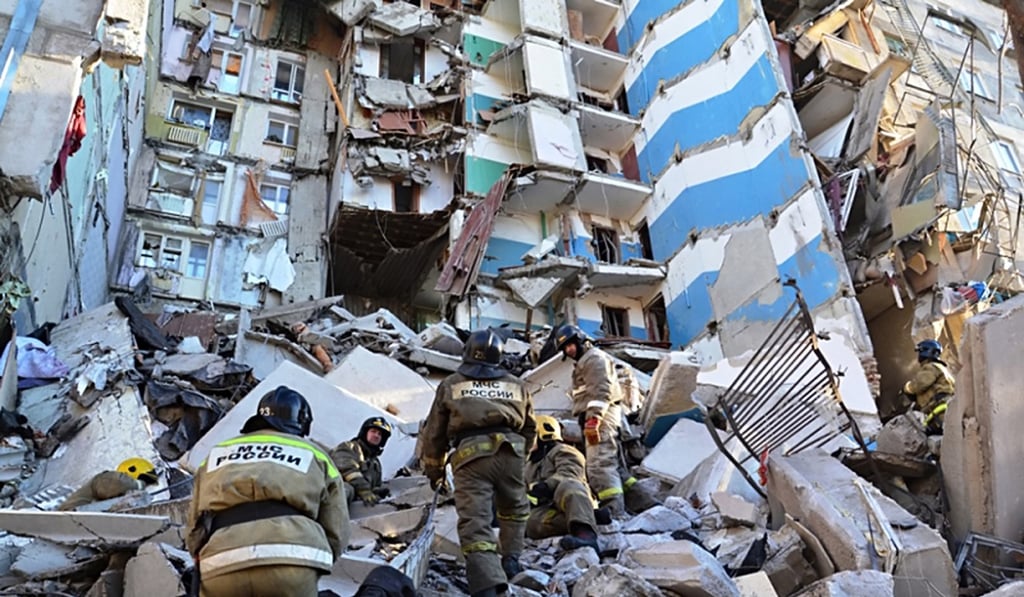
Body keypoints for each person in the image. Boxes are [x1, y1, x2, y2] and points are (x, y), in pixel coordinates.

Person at [186, 386, 347, 597]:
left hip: (222, 563)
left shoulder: (217, 453)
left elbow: (194, 525)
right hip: (293, 561)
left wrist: (201, 556)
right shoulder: (317, 455)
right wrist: (318, 561)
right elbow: (336, 527)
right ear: (302, 423)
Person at [419, 329, 537, 597]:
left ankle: (488, 585)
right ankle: (511, 559)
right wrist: (521, 456)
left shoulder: (451, 383)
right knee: (515, 509)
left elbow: (434, 433)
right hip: (512, 451)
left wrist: (435, 471)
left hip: (471, 457)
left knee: (476, 521)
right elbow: (530, 427)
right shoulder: (517, 385)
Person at [553, 324, 632, 516]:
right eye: (565, 348)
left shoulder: (594, 359)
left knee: (599, 465)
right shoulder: (585, 361)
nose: (569, 350)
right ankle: (643, 503)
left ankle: (612, 513)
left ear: (580, 341)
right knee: (617, 469)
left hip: (601, 417)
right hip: (602, 415)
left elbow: (601, 390)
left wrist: (593, 419)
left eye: (571, 345)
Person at [525, 415, 600, 553]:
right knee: (529, 522)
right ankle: (590, 518)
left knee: (570, 485)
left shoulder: (564, 451)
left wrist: (548, 485)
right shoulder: (529, 464)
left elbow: (570, 473)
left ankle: (586, 536)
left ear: (544, 433)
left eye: (530, 435)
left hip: (570, 500)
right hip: (547, 508)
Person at [331, 416, 394, 507]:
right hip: (335, 492)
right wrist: (364, 490)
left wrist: (377, 491)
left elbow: (374, 485)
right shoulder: (349, 447)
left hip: (355, 503)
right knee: (346, 489)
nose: (376, 435)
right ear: (365, 433)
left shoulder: (376, 464)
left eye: (380, 434)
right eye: (373, 431)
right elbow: (347, 469)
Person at [58, 457, 159, 511]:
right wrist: (140, 486)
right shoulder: (105, 479)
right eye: (143, 479)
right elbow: (117, 481)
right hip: (68, 520)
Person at [903, 339, 956, 434]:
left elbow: (919, 384)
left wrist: (907, 388)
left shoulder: (931, 367)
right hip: (946, 410)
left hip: (940, 413)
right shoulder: (943, 368)